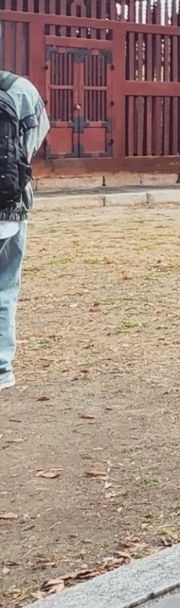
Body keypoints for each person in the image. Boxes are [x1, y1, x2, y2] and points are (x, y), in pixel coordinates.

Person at [0, 72, 50, 391]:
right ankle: (1, 368)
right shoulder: (21, 88)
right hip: (10, 207)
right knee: (5, 287)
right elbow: (35, 138)